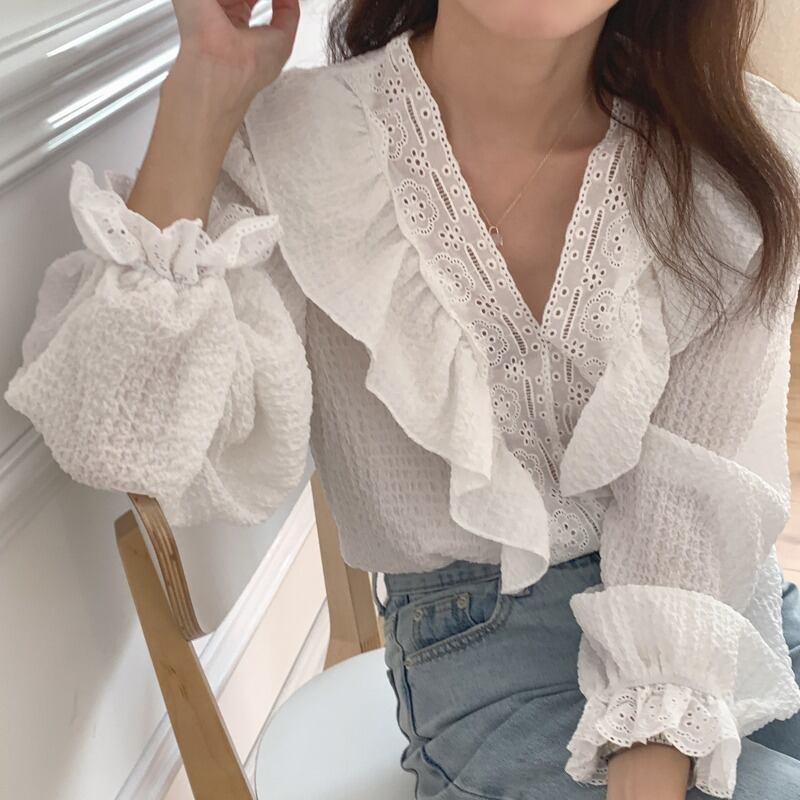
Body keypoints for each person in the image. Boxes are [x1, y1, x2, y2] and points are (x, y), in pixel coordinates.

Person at [5, 0, 800, 797]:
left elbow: (686, 508)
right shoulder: (307, 149)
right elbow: (118, 436)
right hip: (484, 651)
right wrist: (201, 94)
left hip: (717, 606)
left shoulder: (730, 161)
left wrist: (654, 739)